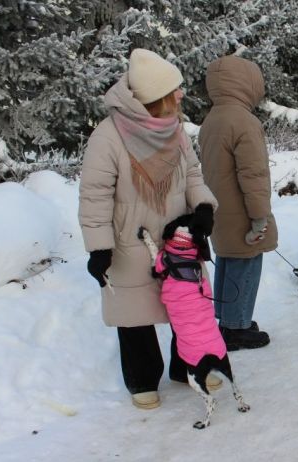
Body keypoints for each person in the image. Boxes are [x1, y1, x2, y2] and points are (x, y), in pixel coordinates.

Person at [78, 48, 219, 409]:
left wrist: (202, 207)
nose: (181, 94)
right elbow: (94, 196)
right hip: (130, 240)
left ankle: (185, 366)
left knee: (185, 305)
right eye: (174, 89)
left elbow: (191, 175)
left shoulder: (176, 130)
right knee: (134, 315)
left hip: (176, 237)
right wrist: (99, 247)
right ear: (156, 98)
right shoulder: (108, 137)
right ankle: (142, 380)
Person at [199, 55, 277, 351]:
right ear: (247, 83)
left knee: (229, 262)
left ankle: (228, 319)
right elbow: (253, 174)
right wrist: (260, 217)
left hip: (220, 209)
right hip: (243, 210)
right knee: (246, 263)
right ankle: (237, 328)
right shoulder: (244, 121)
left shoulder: (212, 120)